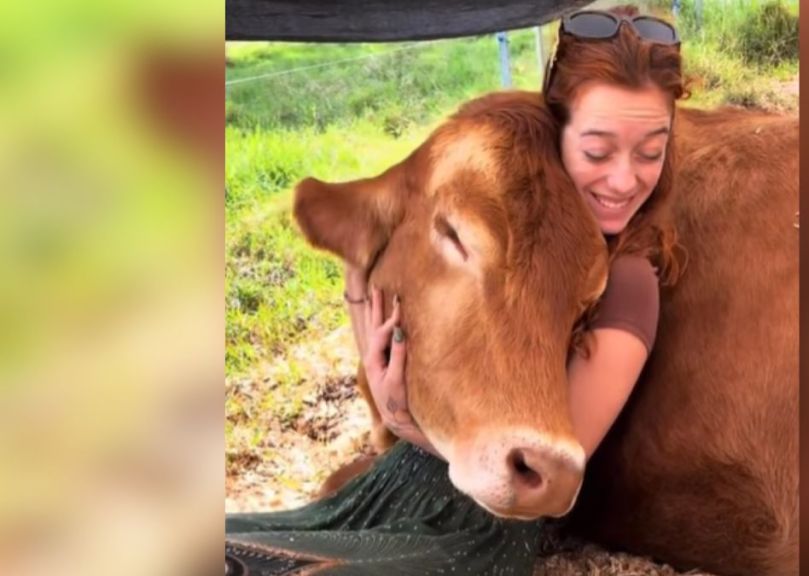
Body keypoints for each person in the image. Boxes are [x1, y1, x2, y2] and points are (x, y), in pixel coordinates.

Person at [225, 6, 687, 575]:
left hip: (466, 534)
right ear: (556, 131)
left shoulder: (631, 279)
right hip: (395, 483)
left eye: (651, 152)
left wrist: (403, 421)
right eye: (597, 151)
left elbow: (544, 476)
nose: (623, 180)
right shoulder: (527, 223)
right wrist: (360, 293)